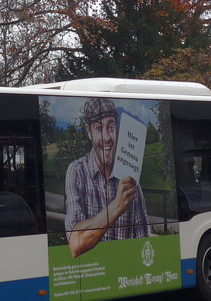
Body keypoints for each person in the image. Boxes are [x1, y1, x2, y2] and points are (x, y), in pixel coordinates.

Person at [64, 97, 151, 257]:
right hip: (93, 273)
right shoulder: (77, 172)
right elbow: (76, 243)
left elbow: (143, 241)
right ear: (89, 132)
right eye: (98, 128)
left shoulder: (130, 181)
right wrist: (117, 206)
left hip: (126, 276)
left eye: (110, 127)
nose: (106, 137)